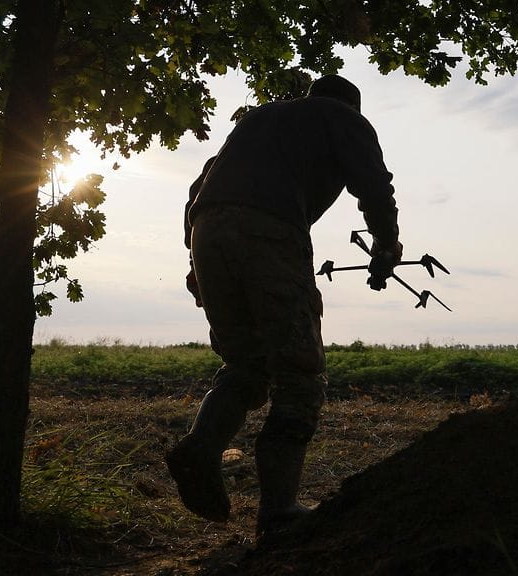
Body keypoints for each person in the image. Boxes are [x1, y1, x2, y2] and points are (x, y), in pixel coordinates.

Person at [165, 74, 403, 537]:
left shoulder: (257, 121)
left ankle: (200, 447)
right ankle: (278, 513)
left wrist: (197, 259)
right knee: (299, 373)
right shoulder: (342, 118)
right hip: (270, 231)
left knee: (246, 364)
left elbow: (200, 186)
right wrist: (386, 242)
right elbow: (374, 183)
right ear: (351, 106)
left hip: (207, 232)